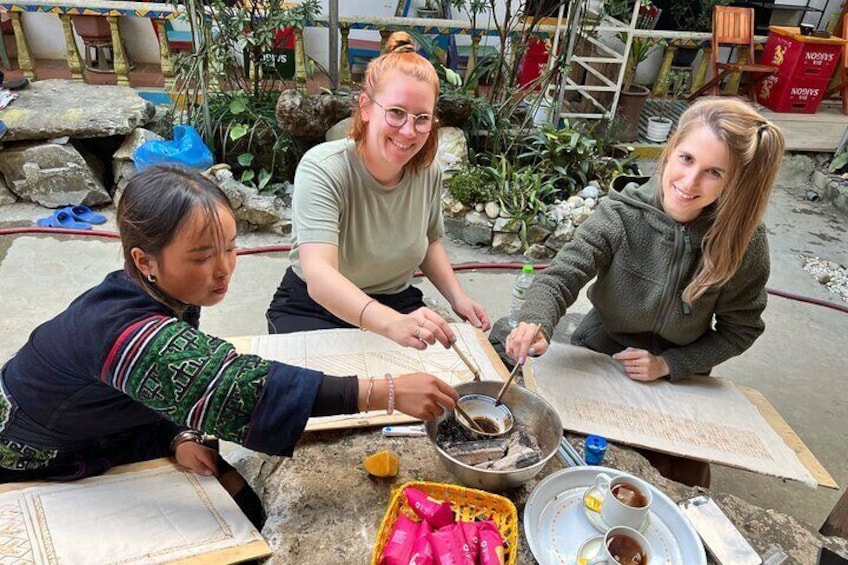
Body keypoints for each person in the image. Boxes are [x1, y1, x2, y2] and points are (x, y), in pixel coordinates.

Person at [0, 165, 458, 528]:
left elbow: (167, 381)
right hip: (37, 451)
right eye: (201, 256)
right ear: (144, 261)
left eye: (230, 249)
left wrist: (175, 433)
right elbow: (238, 386)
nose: (223, 270)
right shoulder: (119, 326)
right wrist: (388, 392)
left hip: (112, 420)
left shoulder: (158, 293)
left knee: (238, 496)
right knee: (232, 517)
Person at [506, 97, 785, 487]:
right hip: (601, 352)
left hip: (683, 376)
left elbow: (742, 329)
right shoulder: (621, 214)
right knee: (572, 460)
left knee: (683, 478)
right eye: (686, 159)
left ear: (736, 182)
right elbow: (561, 277)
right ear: (669, 150)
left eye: (714, 173)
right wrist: (536, 320)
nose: (689, 183)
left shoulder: (745, 242)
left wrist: (671, 364)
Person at [266, 31, 490, 349]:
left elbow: (428, 241)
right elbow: (319, 276)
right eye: (396, 112)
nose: (409, 131)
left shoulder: (427, 171)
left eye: (422, 118)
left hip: (397, 301)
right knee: (330, 393)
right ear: (366, 108)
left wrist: (458, 298)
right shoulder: (324, 168)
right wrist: (388, 323)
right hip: (316, 308)